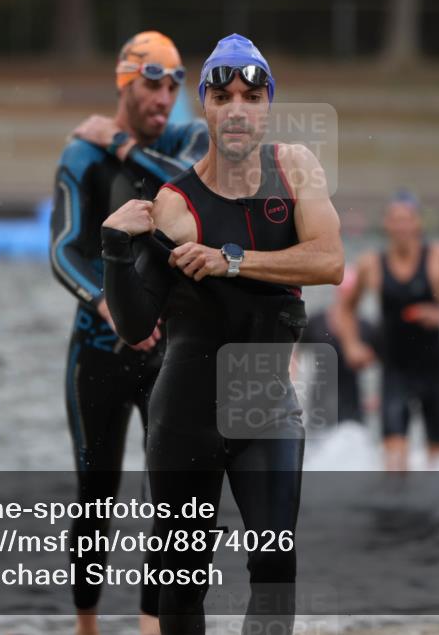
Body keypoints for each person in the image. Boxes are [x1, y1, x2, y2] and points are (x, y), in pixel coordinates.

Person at [100, 33, 344, 635]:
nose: (238, 108)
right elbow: (134, 328)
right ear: (205, 105)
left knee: (275, 568)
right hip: (186, 413)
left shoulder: (295, 171)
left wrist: (229, 260)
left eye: (252, 96)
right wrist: (113, 250)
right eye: (224, 95)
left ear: (267, 107)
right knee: (182, 589)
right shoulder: (175, 204)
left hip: (265, 405)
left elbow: (329, 262)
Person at [49, 30, 208, 635]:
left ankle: (149, 627)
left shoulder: (188, 140)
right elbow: (62, 251)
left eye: (172, 84)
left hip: (170, 352)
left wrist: (118, 142)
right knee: (96, 497)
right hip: (97, 353)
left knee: (167, 498)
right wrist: (109, 306)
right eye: (151, 83)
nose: (163, 96)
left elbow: (192, 186)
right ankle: (86, 625)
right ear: (124, 82)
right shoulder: (79, 157)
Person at [335, 191, 439, 471]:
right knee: (394, 462)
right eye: (395, 220)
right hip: (395, 372)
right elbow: (344, 309)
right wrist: (352, 345)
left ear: (417, 224)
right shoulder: (371, 264)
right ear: (387, 224)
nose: (401, 226)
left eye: (407, 220)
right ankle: (395, 513)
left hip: (434, 371)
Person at [293, 266, 378, 425]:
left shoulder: (365, 326)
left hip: (354, 400)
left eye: (350, 292)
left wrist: (377, 395)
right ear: (337, 292)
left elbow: (382, 361)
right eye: (344, 291)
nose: (346, 296)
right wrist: (294, 389)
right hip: (320, 399)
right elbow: (296, 354)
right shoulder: (317, 321)